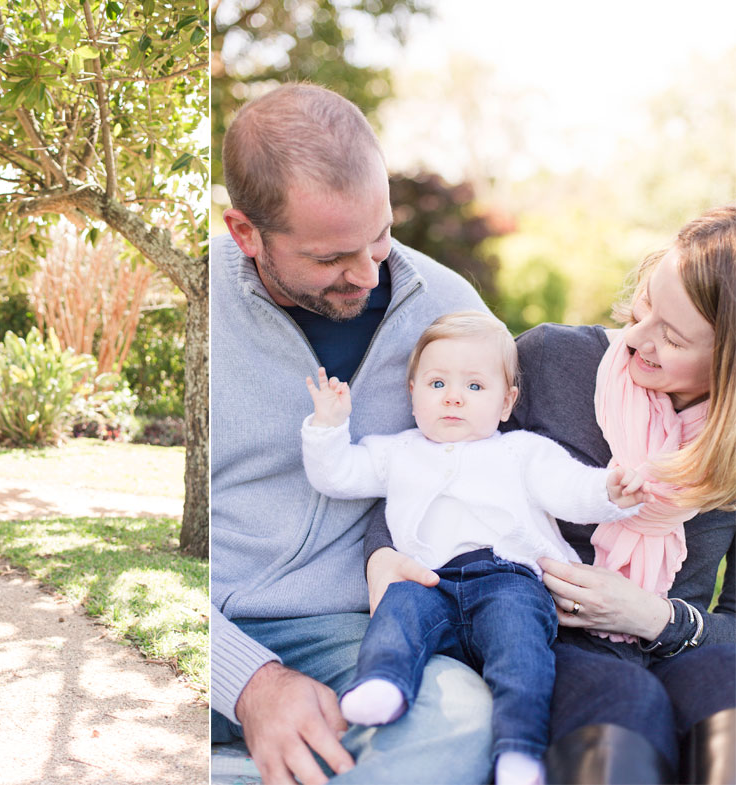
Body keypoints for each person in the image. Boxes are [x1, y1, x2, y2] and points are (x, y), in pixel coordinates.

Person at [367, 204, 736, 784]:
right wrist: (383, 554)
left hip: (671, 643)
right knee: (627, 704)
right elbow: (434, 457)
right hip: (539, 631)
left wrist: (654, 616)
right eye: (645, 306)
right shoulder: (554, 358)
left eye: (671, 335)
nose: (635, 337)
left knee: (728, 697)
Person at [210, 82, 496, 785]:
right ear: (246, 233)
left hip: (353, 634)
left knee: (461, 715)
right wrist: (250, 683)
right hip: (197, 627)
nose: (368, 275)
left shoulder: (451, 311)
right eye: (333, 258)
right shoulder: (191, 301)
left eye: (381, 237)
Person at [302, 311, 651, 785]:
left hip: (508, 580)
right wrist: (328, 426)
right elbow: (337, 475)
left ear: (507, 402)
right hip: (430, 580)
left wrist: (610, 492)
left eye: (475, 387)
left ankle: (519, 751)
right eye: (437, 382)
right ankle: (383, 683)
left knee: (521, 654)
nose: (452, 397)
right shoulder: (397, 451)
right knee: (396, 612)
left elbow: (569, 489)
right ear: (412, 392)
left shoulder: (522, 451)